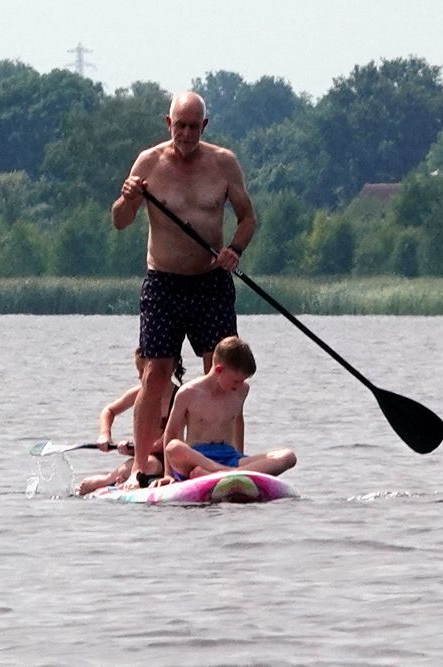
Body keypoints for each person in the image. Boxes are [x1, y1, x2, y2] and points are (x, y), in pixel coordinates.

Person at [111, 91, 256, 490]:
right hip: (164, 283)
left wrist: (234, 251)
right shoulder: (148, 162)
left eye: (194, 126)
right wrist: (128, 198)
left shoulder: (223, 163)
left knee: (223, 374)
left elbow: (248, 220)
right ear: (168, 124)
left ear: (204, 126)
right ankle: (142, 469)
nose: (187, 133)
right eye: (181, 125)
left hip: (211, 283)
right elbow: (120, 220)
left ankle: (231, 462)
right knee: (155, 375)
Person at [152, 336, 296, 487]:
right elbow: (171, 432)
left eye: (243, 381)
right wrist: (168, 475)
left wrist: (239, 455)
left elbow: (237, 422)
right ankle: (228, 472)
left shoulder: (242, 390)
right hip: (197, 458)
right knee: (174, 447)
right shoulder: (188, 393)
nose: (240, 385)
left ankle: (229, 474)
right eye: (236, 381)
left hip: (230, 458)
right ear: (219, 370)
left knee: (288, 456)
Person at [76, 348, 184, 496]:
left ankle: (110, 480)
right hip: (144, 456)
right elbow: (109, 411)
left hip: (168, 458)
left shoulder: (181, 396)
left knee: (150, 463)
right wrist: (105, 434)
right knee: (146, 462)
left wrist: (134, 449)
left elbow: (169, 438)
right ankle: (113, 479)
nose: (141, 377)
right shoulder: (138, 393)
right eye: (139, 371)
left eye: (143, 371)